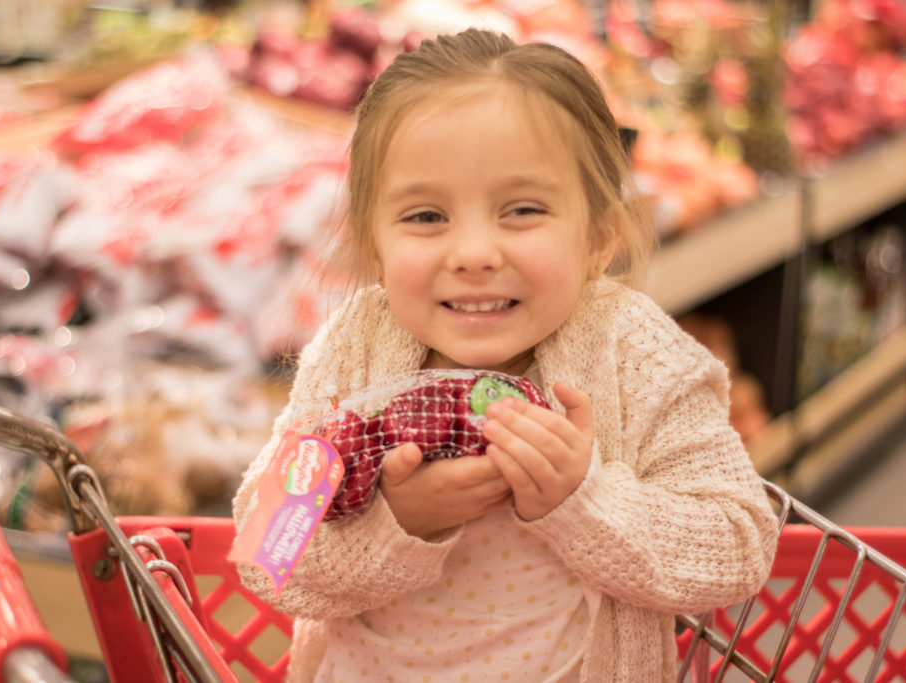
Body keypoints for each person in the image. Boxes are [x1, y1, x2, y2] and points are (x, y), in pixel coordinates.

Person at [232, 28, 779, 682]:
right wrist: (399, 520)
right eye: (426, 216)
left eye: (521, 210)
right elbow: (268, 553)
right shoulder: (356, 349)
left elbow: (737, 545)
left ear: (599, 235)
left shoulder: (634, 351)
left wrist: (583, 499)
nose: (473, 253)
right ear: (374, 243)